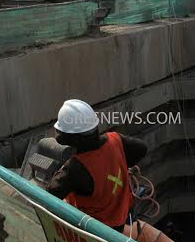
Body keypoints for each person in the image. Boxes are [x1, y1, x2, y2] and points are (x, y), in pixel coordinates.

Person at [47, 99, 147, 232]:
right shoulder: (115, 139)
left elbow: (51, 193)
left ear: (75, 137)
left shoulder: (76, 168)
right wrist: (121, 164)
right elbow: (142, 148)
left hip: (94, 231)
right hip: (119, 222)